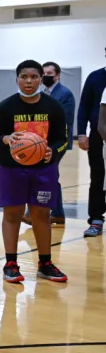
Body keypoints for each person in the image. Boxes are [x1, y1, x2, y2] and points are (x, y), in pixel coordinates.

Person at [0, 60, 68, 284]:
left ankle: (45, 264)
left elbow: (63, 139)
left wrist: (52, 151)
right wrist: (5, 139)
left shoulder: (53, 107)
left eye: (33, 77)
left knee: (41, 215)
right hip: (12, 170)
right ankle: (10, 263)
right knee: (12, 215)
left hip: (43, 171)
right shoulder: (6, 107)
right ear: (17, 79)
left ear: (41, 79)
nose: (29, 81)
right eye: (24, 77)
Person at [39, 62, 75, 226]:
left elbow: (65, 120)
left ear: (58, 75)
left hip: (58, 142)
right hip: (43, 141)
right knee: (49, 174)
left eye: (50, 73)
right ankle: (57, 213)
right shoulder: (42, 94)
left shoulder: (65, 94)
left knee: (47, 173)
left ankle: (38, 212)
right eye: (44, 73)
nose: (46, 76)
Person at [76, 59, 106, 237]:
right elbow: (84, 106)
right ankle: (96, 219)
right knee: (98, 177)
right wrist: (81, 133)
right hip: (98, 135)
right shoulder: (95, 77)